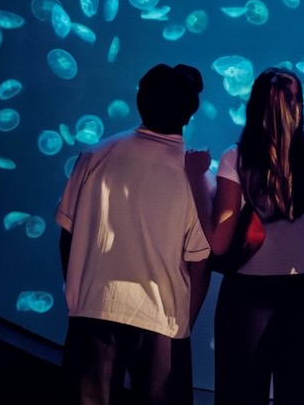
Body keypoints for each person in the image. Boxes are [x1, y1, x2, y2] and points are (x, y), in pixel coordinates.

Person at [56, 63, 213, 405]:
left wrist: (77, 290)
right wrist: (184, 325)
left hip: (91, 310)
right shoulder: (196, 177)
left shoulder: (95, 155)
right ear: (190, 113)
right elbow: (201, 262)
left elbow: (67, 233)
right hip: (163, 320)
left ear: (140, 101)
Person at [201, 67, 304, 405]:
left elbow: (218, 242)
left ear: (255, 104)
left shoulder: (236, 158)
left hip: (248, 301)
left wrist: (195, 180)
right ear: (299, 106)